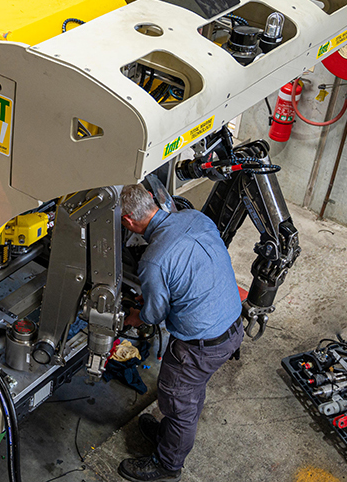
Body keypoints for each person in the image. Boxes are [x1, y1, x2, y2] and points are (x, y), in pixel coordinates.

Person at [118, 184, 243, 482]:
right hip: (231, 326)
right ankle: (170, 435)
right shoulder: (195, 218)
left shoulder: (154, 260)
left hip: (200, 346)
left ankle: (167, 464)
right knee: (191, 392)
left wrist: (138, 315)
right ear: (152, 201)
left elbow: (155, 315)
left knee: (178, 403)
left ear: (128, 222)